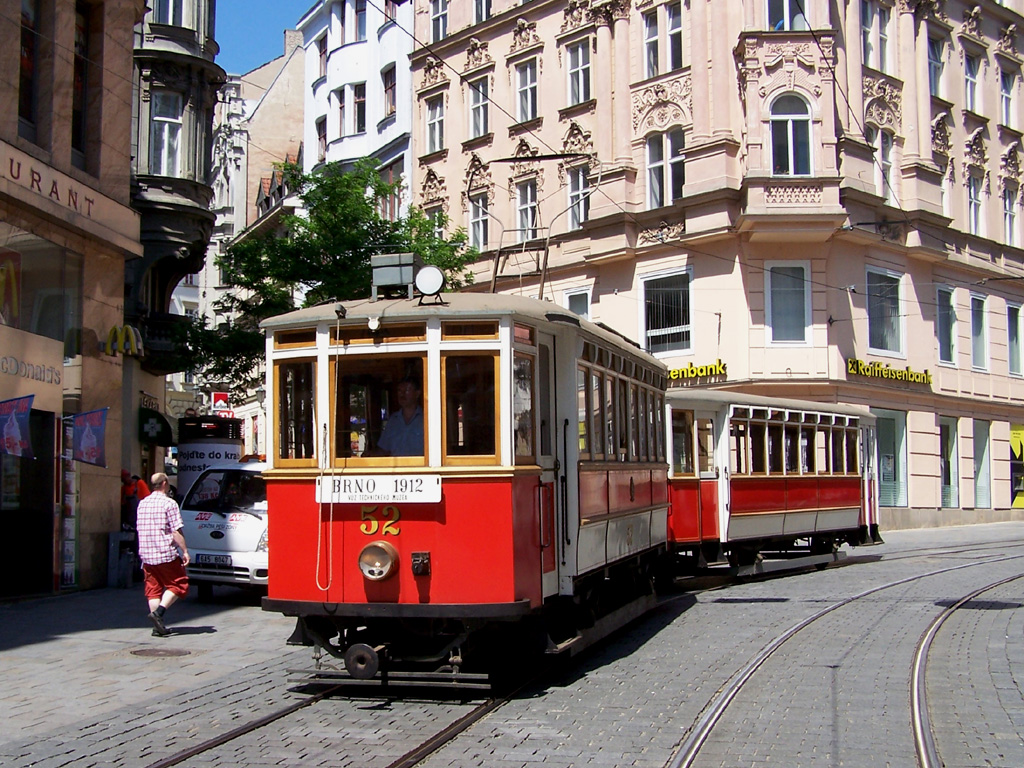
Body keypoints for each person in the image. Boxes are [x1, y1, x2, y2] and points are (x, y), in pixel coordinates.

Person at [136, 472, 190, 637]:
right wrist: (185, 550)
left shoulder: (143, 503)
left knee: (153, 589)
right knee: (178, 584)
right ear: (165, 483)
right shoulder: (169, 504)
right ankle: (158, 613)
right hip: (165, 553)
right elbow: (175, 530)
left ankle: (157, 627)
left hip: (146, 554)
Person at [372, 377, 424, 457]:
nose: (402, 394)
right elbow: (384, 449)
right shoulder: (393, 421)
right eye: (399, 391)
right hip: (397, 468)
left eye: (407, 390)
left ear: (417, 393)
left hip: (421, 469)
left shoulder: (427, 419)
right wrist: (370, 455)